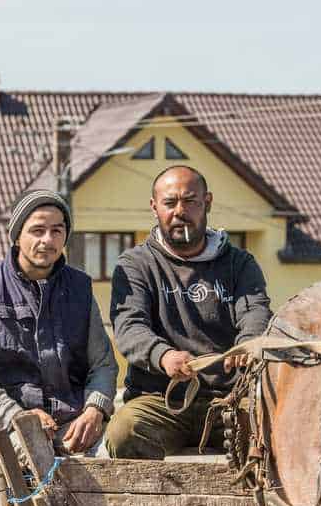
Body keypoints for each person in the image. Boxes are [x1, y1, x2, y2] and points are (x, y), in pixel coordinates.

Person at [106, 165, 273, 459]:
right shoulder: (135, 264)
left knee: (271, 429)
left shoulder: (239, 263)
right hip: (160, 400)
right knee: (124, 431)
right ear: (154, 207)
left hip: (230, 399)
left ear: (207, 202)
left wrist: (247, 343)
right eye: (170, 203)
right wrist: (163, 356)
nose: (179, 211)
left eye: (190, 201)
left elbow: (256, 313)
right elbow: (130, 327)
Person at [0, 190, 117, 456]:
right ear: (17, 236)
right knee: (38, 457)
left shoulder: (80, 288)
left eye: (57, 230)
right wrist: (16, 416)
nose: (48, 240)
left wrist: (95, 409)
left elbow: (103, 364)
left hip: (75, 418)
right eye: (37, 230)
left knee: (119, 450)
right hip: (9, 421)